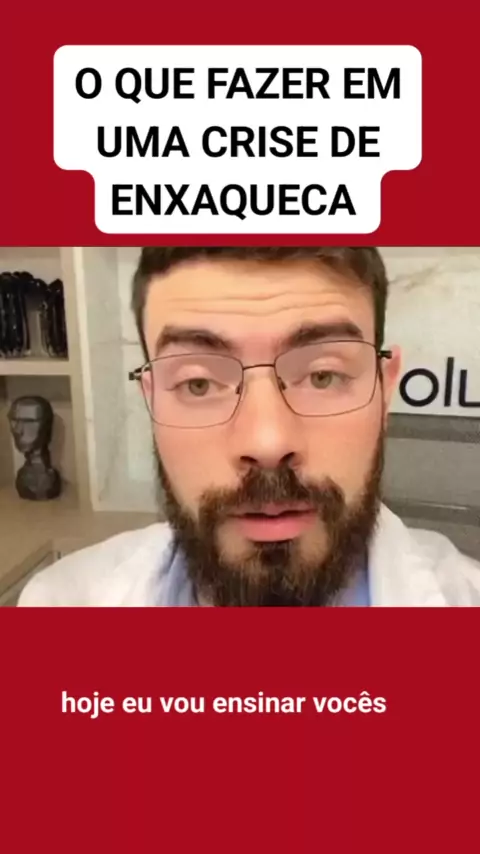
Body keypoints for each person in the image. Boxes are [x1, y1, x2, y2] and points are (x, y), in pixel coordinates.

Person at [18, 246, 480, 607]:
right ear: (151, 399)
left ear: (384, 389)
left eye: (322, 376)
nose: (267, 441)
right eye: (198, 383)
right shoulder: (58, 605)